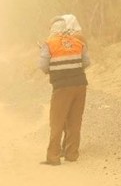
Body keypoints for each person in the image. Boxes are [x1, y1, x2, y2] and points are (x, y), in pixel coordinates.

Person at [38, 14, 91, 165]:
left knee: (57, 121)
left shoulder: (49, 44)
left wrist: (54, 69)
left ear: (53, 29)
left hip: (61, 87)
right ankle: (72, 154)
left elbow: (42, 65)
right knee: (75, 121)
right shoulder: (77, 42)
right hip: (80, 86)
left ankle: (54, 157)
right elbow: (86, 62)